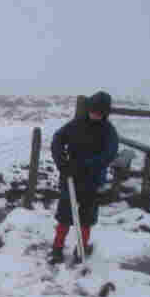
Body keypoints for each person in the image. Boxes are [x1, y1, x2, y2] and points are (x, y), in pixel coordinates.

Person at [49, 91, 118, 264]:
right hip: (70, 177)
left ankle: (81, 250)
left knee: (86, 218)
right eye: (93, 110)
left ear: (105, 113)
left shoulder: (109, 131)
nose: (95, 114)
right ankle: (57, 248)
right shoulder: (76, 124)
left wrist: (83, 165)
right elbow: (57, 139)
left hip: (92, 181)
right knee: (64, 215)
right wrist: (61, 161)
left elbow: (108, 155)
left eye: (99, 112)